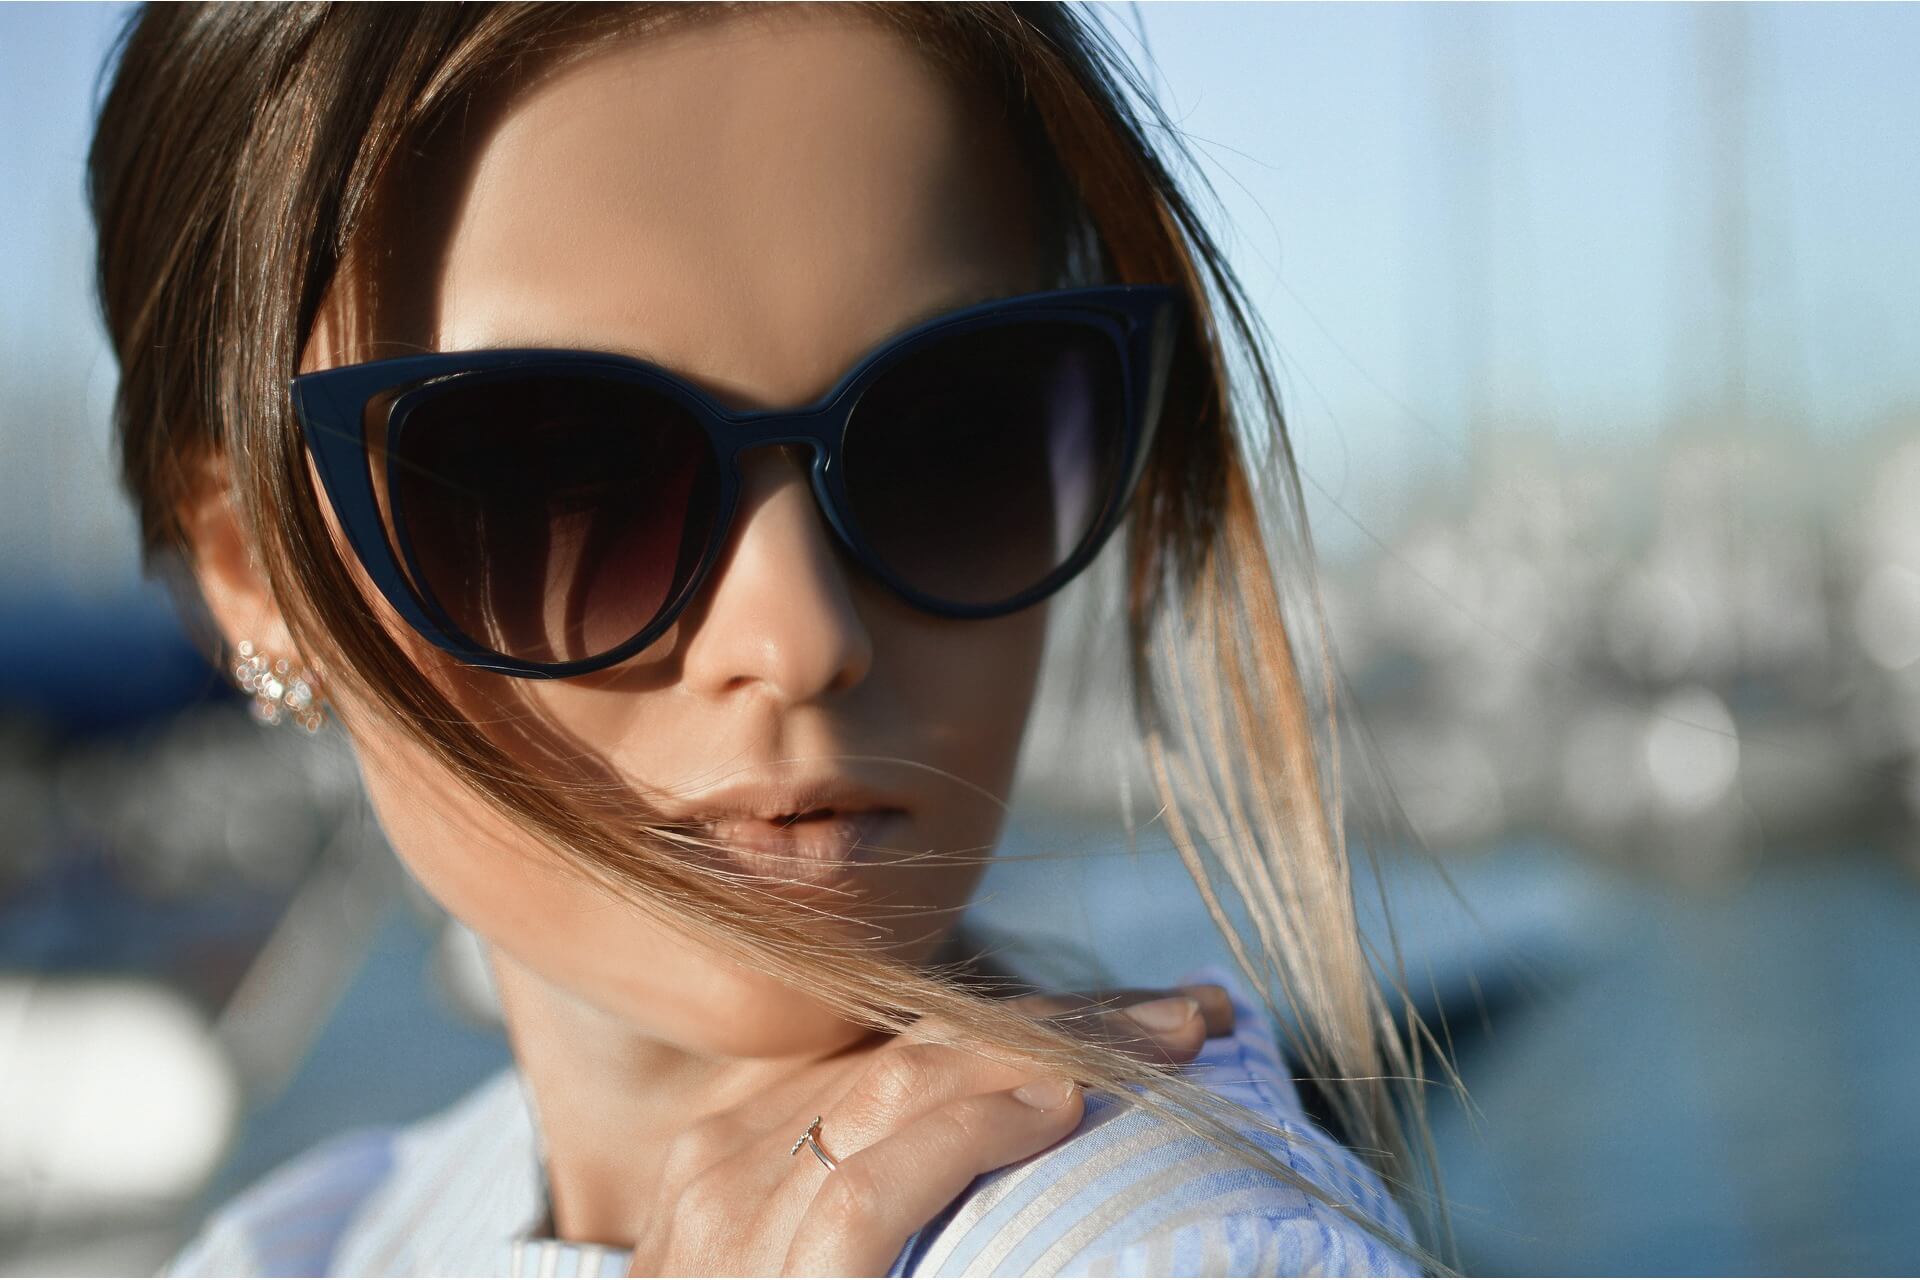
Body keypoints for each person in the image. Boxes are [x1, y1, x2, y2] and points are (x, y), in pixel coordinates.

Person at [89, 2, 1449, 1274]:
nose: (802, 638)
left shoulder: (1171, 1250)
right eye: (557, 475)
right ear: (249, 569)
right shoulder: (316, 1239)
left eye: (951, 433)